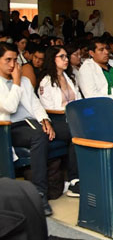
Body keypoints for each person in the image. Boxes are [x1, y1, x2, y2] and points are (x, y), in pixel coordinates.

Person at [0, 42, 56, 216]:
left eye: (15, 60)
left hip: (31, 123)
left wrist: (45, 120)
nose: (12, 65)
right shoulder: (16, 80)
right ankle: (39, 193)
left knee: (57, 130)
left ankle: (72, 180)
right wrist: (16, 82)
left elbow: (35, 103)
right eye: (7, 60)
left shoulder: (24, 80)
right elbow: (8, 107)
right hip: (9, 127)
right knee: (39, 135)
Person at [36, 46, 82, 197]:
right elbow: (47, 108)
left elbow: (79, 99)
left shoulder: (69, 77)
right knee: (77, 133)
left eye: (66, 56)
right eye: (61, 57)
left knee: (86, 129)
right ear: (52, 59)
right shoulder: (46, 82)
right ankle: (74, 180)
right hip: (56, 120)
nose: (66, 59)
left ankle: (78, 177)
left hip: (73, 118)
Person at [77, 37, 113, 105]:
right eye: (101, 50)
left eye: (107, 49)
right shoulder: (86, 69)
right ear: (92, 53)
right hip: (107, 105)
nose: (106, 52)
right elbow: (91, 96)